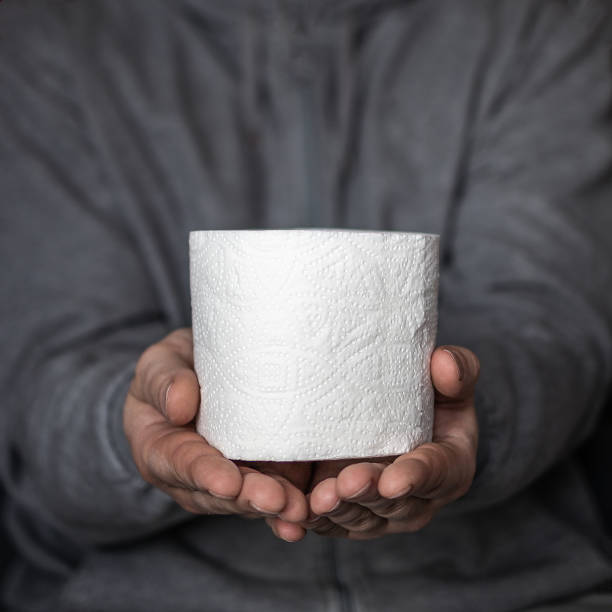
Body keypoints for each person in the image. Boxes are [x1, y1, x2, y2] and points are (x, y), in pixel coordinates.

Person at [1, 1, 612, 611]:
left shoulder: (536, 21)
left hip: (510, 586)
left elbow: (553, 322)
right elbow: (43, 382)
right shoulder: (53, 33)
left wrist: (481, 414)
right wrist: (123, 425)